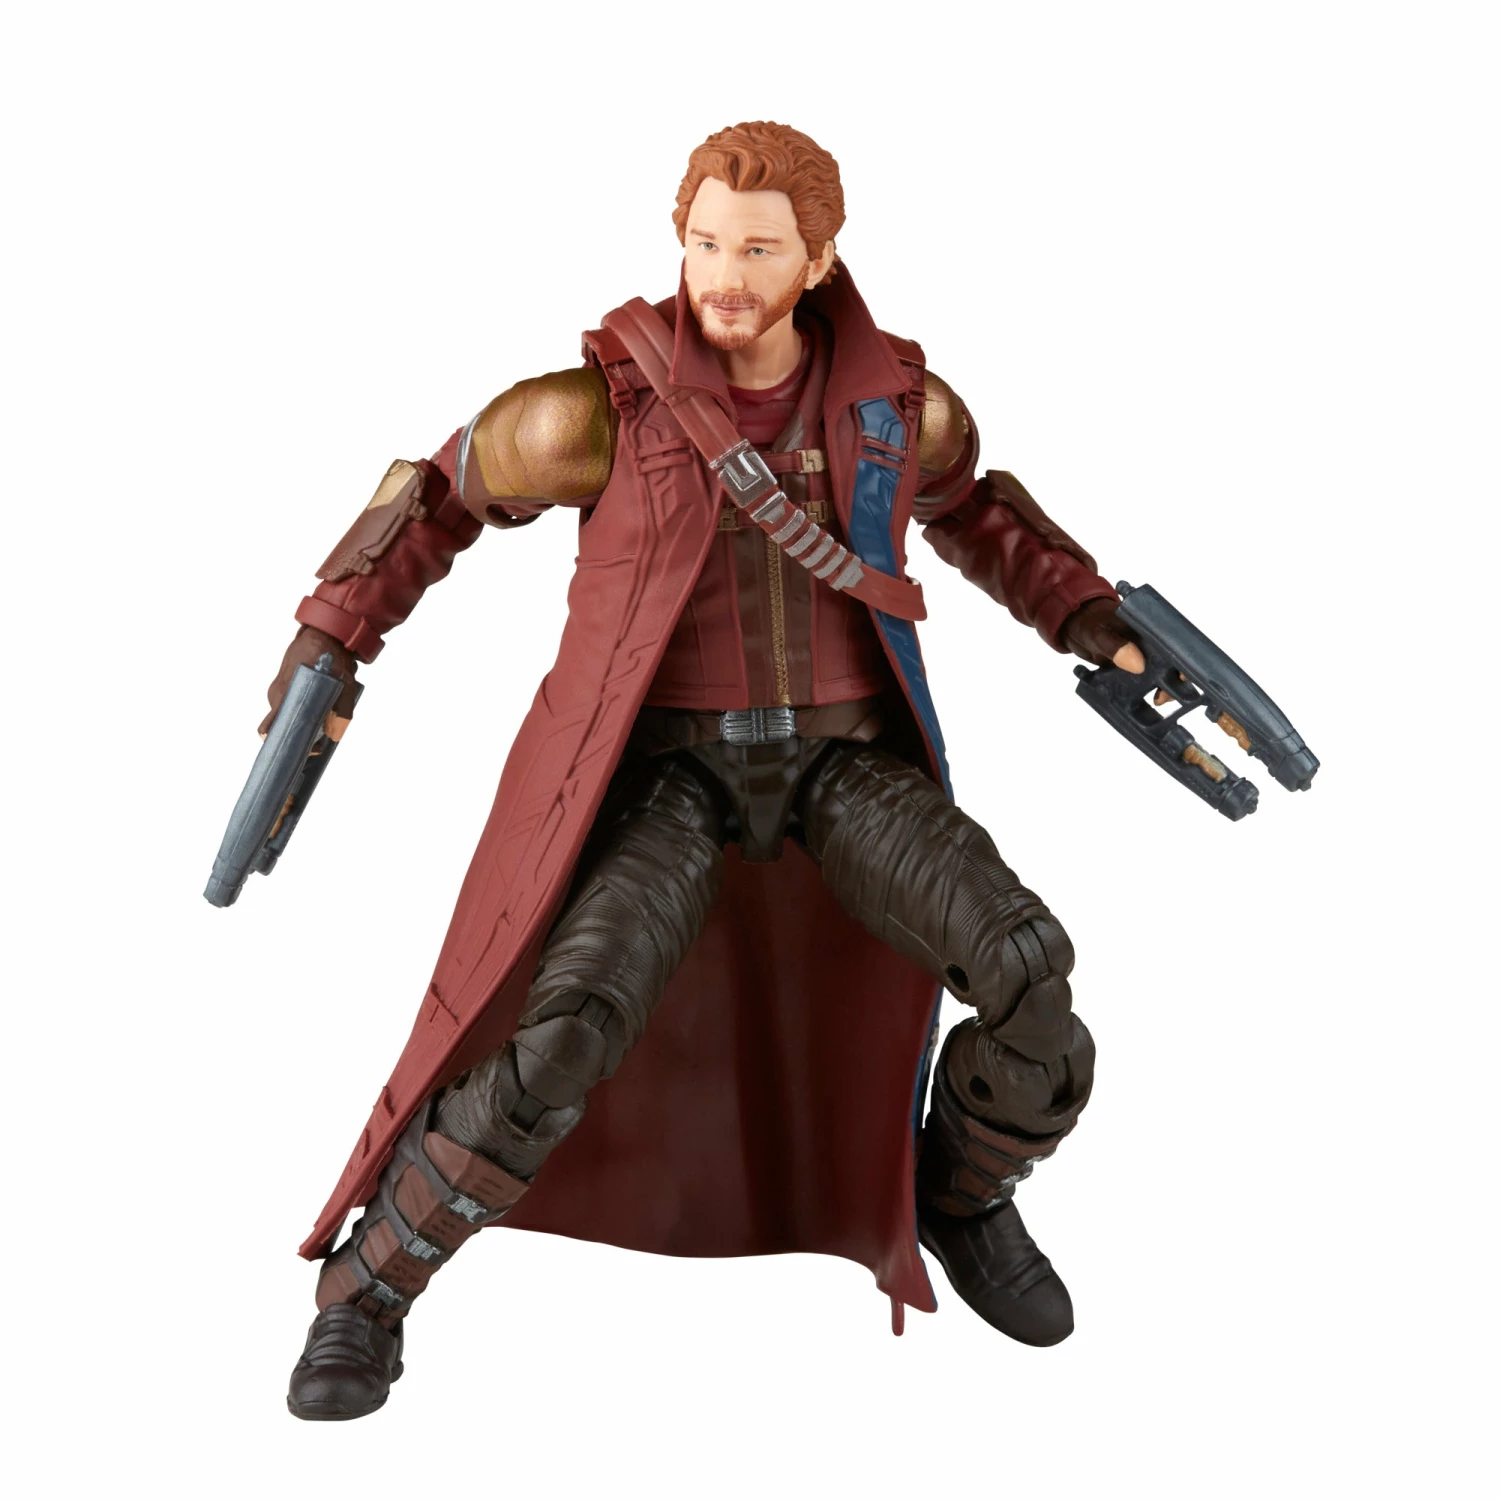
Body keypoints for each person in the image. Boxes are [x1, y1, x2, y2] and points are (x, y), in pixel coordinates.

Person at [265, 121, 1144, 1421]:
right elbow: (435, 499)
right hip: (666, 772)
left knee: (1027, 970)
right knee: (562, 1034)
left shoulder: (897, 408)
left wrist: (1088, 616)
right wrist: (332, 641)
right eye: (706, 242)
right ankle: (369, 1290)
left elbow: (979, 512)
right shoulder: (595, 412)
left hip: (843, 763)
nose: (725, 274)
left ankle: (959, 1195)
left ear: (820, 259)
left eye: (759, 249)